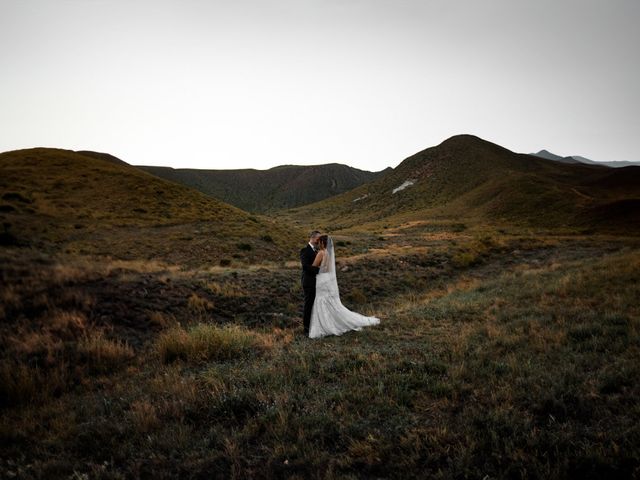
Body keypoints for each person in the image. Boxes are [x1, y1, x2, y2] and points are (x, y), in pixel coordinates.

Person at [308, 234, 380, 338]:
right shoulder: (328, 253)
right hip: (328, 279)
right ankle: (331, 323)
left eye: (319, 242)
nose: (318, 244)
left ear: (322, 243)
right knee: (329, 302)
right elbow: (327, 268)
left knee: (322, 300)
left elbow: (313, 267)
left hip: (322, 280)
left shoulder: (321, 253)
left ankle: (325, 326)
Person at [300, 230, 322, 335]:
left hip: (317, 283)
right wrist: (320, 270)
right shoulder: (304, 250)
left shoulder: (317, 252)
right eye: (318, 239)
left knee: (315, 305)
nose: (319, 241)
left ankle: (314, 326)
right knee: (308, 305)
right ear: (312, 238)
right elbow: (305, 267)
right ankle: (306, 329)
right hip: (308, 283)